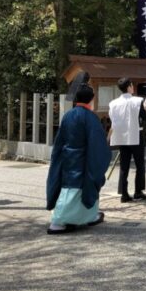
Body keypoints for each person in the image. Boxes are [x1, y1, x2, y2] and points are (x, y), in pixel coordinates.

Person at [46, 84, 111, 234]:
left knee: (69, 189)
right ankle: (58, 221)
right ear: (92, 99)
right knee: (77, 191)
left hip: (67, 157)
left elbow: (59, 141)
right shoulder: (91, 117)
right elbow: (97, 144)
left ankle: (88, 216)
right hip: (84, 160)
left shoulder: (68, 115)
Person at [109, 77, 146, 203]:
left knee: (124, 165)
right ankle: (138, 191)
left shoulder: (113, 103)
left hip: (121, 136)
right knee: (139, 164)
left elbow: (113, 120)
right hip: (136, 135)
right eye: (132, 85)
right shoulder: (138, 101)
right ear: (129, 87)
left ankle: (124, 193)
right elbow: (145, 117)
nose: (133, 87)